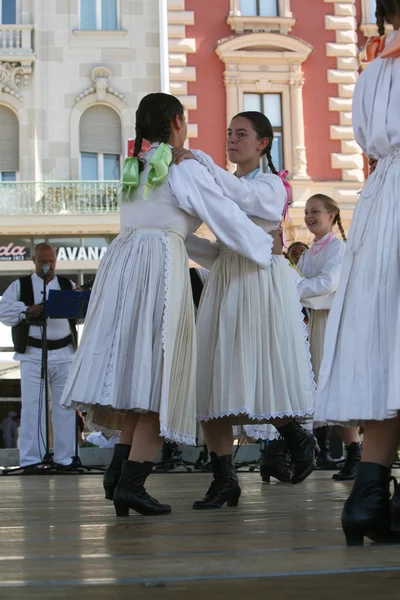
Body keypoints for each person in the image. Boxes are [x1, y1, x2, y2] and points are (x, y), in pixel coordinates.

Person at [60, 93, 277, 517]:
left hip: (122, 262)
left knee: (136, 368)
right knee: (163, 368)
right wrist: (262, 249)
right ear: (177, 121)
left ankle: (120, 474)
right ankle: (132, 482)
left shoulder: (136, 165)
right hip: (158, 264)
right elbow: (223, 216)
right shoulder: (183, 165)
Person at [174, 111, 316, 509]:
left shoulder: (271, 185)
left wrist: (201, 162)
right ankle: (224, 478)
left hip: (258, 281)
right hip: (226, 279)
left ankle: (293, 434)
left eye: (242, 134)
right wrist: (178, 239)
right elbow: (220, 249)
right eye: (229, 134)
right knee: (214, 377)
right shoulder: (227, 184)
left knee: (258, 369)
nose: (233, 140)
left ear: (263, 143)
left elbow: (247, 201)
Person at [314, 0, 400, 546]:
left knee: (389, 346)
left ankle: (365, 501)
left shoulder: (371, 69)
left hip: (383, 200)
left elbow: (367, 140)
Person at [297, 194, 361, 480]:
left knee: (332, 387)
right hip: (313, 325)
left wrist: (291, 290)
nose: (309, 216)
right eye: (307, 211)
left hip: (333, 324)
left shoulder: (339, 249)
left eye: (316, 211)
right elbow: (299, 281)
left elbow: (327, 284)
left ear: (332, 216)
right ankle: (308, 450)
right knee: (313, 387)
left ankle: (355, 453)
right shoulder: (311, 253)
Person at [0, 243, 77, 469]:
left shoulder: (67, 284)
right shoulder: (20, 285)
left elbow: (81, 315)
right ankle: (32, 461)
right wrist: (26, 309)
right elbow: (3, 312)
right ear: (34, 261)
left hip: (65, 354)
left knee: (65, 408)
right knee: (32, 408)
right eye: (43, 261)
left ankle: (66, 459)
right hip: (33, 354)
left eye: (51, 261)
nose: (48, 265)